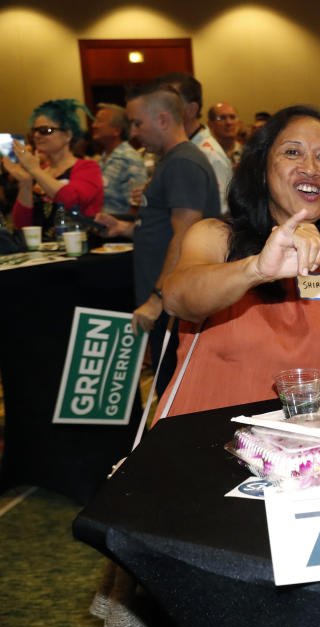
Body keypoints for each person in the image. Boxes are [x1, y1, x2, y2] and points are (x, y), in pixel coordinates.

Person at [158, 106, 320, 418]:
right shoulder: (216, 238)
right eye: (293, 152)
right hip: (204, 440)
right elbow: (176, 299)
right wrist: (256, 270)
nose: (310, 168)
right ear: (262, 171)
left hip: (303, 452)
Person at [95, 82, 221, 397]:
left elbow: (186, 233)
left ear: (163, 120)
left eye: (138, 123)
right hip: (167, 298)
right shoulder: (173, 160)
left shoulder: (182, 162)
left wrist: (156, 299)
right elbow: (168, 224)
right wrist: (125, 229)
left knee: (172, 394)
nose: (134, 132)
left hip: (171, 303)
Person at [3, 99, 103, 229]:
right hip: (40, 248)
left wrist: (34, 170)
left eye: (46, 130)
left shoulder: (88, 167)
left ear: (67, 135)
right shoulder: (41, 171)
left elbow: (71, 202)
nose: (37, 136)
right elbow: (23, 225)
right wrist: (26, 183)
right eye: (35, 131)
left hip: (78, 245)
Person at [156, 72, 233, 214]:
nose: (161, 112)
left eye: (169, 104)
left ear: (191, 110)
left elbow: (219, 215)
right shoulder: (179, 148)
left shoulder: (208, 154)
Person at [91, 102, 147, 217]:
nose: (94, 125)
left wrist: (126, 227)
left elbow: (137, 203)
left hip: (121, 229)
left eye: (100, 121)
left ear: (117, 130)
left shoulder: (128, 158)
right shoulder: (104, 156)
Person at [208, 101, 243, 167]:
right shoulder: (205, 154)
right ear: (210, 124)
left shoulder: (248, 153)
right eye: (222, 118)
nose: (229, 123)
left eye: (232, 117)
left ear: (239, 123)